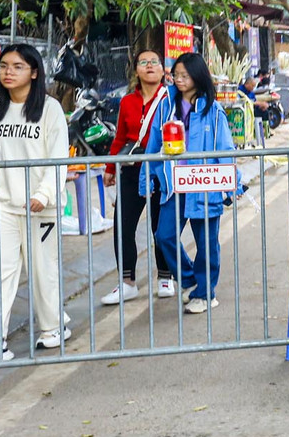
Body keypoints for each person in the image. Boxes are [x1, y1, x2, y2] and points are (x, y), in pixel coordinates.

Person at [0, 44, 70, 361]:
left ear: (34, 72)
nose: (8, 72)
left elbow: (58, 157)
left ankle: (53, 326)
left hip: (41, 205)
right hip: (1, 202)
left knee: (43, 269)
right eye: (3, 66)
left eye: (17, 66)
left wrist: (43, 194)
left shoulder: (50, 109)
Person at [141, 52, 241, 315]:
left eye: (185, 75)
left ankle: (205, 294)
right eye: (176, 75)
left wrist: (233, 183)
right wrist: (147, 177)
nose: (179, 80)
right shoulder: (166, 105)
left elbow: (225, 148)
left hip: (204, 183)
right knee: (164, 236)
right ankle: (189, 280)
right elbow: (154, 142)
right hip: (174, 183)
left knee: (206, 243)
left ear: (198, 76)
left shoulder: (213, 109)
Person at [101, 48, 173, 305]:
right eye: (143, 62)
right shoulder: (127, 102)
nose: (149, 66)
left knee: (160, 226)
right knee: (123, 225)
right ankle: (127, 282)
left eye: (154, 62)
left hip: (160, 170)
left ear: (163, 69)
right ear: (136, 71)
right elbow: (120, 137)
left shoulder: (170, 99)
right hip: (132, 169)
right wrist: (110, 168)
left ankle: (165, 277)